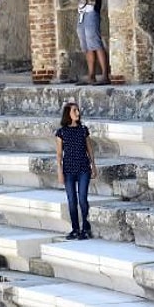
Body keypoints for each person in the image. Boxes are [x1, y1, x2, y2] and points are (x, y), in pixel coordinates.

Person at [65, 0, 110, 86]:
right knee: (86, 45)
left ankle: (104, 75)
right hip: (82, 13)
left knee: (95, 42)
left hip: (92, 11)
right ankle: (91, 76)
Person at [55, 103, 97, 240]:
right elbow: (59, 154)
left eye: (78, 110)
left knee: (83, 199)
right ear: (68, 113)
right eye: (74, 110)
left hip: (83, 168)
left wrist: (93, 165)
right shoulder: (61, 132)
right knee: (72, 200)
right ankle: (75, 229)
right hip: (68, 170)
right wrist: (60, 171)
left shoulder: (83, 130)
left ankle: (86, 227)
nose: (78, 112)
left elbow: (89, 149)